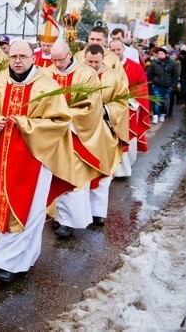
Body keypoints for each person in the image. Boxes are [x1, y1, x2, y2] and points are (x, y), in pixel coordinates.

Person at [0, 39, 74, 283]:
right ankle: (23, 259)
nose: (17, 61)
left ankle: (8, 263)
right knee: (8, 209)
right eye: (13, 56)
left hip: (35, 159)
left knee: (31, 211)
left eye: (22, 56)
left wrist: (25, 123)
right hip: (1, 158)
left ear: (33, 58)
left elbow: (59, 121)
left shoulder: (47, 86)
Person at [45, 41, 110, 238]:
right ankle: (57, 214)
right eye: (53, 60)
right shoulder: (47, 73)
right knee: (53, 176)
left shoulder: (86, 75)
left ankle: (69, 222)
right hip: (52, 135)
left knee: (72, 177)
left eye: (60, 59)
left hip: (75, 135)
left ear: (70, 55)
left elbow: (91, 106)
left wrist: (63, 117)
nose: (57, 64)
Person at [83, 44, 129, 226]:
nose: (93, 65)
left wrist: (106, 110)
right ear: (84, 59)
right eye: (89, 61)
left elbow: (122, 103)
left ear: (103, 59)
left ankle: (98, 212)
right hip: (82, 132)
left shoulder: (114, 77)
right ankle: (81, 212)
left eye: (96, 62)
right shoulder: (79, 75)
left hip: (105, 131)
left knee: (103, 172)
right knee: (82, 173)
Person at [109, 39, 150, 177]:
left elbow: (141, 87)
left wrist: (128, 100)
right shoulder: (106, 66)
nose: (115, 53)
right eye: (113, 50)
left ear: (123, 49)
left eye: (118, 50)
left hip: (129, 109)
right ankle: (112, 170)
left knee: (128, 139)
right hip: (110, 110)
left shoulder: (135, 67)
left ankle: (125, 170)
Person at [146, 47, 178, 123]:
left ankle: (163, 114)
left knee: (165, 101)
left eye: (162, 54)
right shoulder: (154, 63)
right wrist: (151, 84)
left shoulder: (172, 63)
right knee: (156, 101)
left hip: (167, 85)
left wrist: (173, 85)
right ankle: (156, 116)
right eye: (159, 54)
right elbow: (150, 74)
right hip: (156, 85)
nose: (160, 55)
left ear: (165, 54)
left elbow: (175, 75)